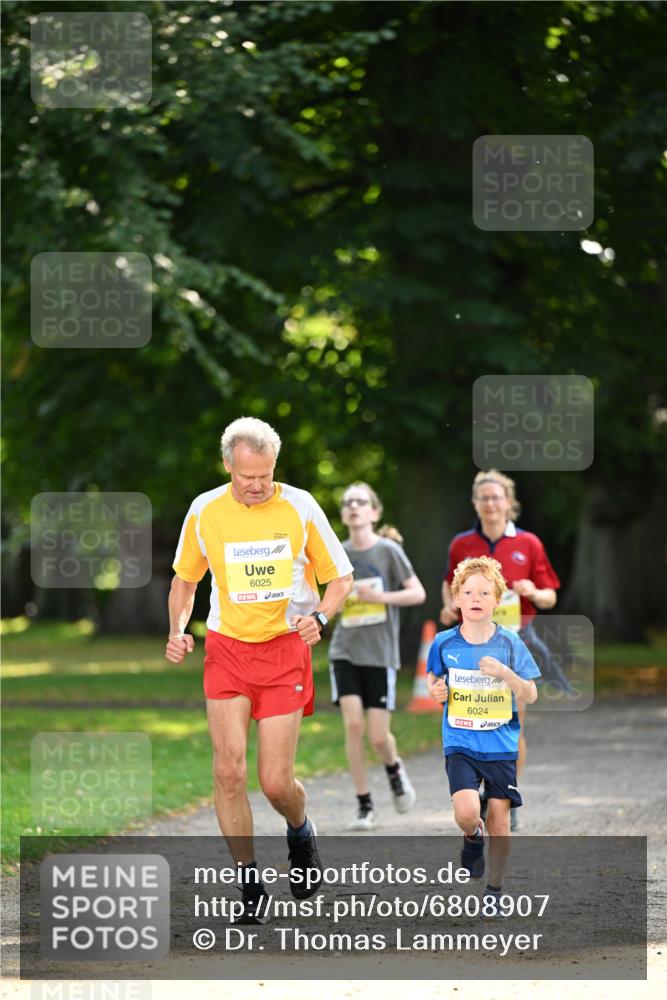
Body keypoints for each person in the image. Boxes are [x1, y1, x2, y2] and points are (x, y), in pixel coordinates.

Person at [165, 417, 353, 920]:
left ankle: (300, 830)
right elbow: (185, 581)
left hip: (284, 650)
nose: (257, 485)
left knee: (274, 782)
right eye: (248, 476)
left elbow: (340, 578)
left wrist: (320, 617)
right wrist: (178, 628)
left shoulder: (300, 506)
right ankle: (249, 885)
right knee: (227, 771)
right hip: (227, 649)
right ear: (228, 465)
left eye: (265, 475)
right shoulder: (204, 510)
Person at [439, 468, 570, 830]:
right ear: (475, 503)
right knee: (472, 718)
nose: (490, 503)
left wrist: (532, 591)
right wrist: (449, 606)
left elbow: (550, 596)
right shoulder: (461, 544)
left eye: (496, 497)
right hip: (470, 647)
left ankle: (506, 796)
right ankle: (475, 789)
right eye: (484, 497)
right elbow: (448, 585)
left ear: (509, 502)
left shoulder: (529, 543)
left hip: (515, 643)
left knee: (512, 723)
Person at [427, 556, 540, 906]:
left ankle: (494, 890)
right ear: (456, 598)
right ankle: (473, 835)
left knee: (500, 822)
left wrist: (506, 673)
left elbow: (530, 694)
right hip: (460, 741)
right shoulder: (444, 643)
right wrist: (436, 690)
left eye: (484, 593)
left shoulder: (510, 643)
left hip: (500, 744)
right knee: (466, 813)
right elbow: (433, 677)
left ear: (498, 600)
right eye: (468, 592)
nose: (476, 598)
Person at [328, 483, 426, 830]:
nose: (353, 507)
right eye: (348, 502)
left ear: (374, 511)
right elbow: (325, 597)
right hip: (345, 650)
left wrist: (380, 598)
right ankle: (364, 804)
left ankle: (394, 769)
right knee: (353, 724)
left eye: (361, 501)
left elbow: (417, 593)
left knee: (379, 737)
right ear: (343, 514)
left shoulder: (388, 551)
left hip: (380, 653)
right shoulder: (336, 552)